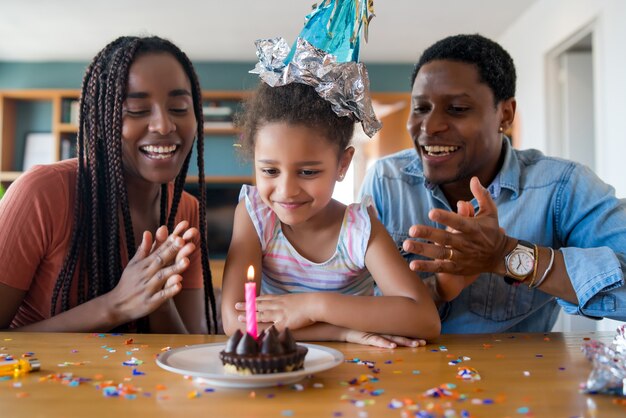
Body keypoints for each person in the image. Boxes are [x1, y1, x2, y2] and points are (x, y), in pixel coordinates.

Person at [360, 34, 626, 333]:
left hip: (517, 377)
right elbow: (356, 299)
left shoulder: (561, 187)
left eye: (458, 109)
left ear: (506, 114)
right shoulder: (386, 181)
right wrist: (439, 288)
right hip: (401, 376)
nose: (430, 127)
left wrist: (506, 255)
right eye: (421, 108)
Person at [0, 36, 218, 333]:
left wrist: (157, 294)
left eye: (179, 107)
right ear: (100, 121)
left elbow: (187, 348)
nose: (164, 126)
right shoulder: (40, 194)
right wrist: (115, 305)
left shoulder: (186, 210)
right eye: (138, 110)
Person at [220, 82, 440, 348]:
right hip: (276, 369)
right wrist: (339, 332)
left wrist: (315, 306)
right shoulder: (255, 215)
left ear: (343, 164)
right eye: (270, 171)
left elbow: (425, 319)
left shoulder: (359, 229)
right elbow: (236, 323)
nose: (286, 191)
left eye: (308, 172)